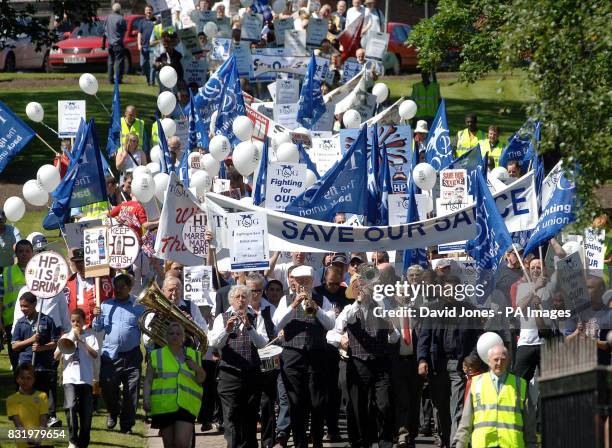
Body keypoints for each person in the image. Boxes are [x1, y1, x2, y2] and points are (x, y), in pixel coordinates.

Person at [331, 269, 398, 448]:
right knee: (360, 407)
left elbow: (395, 338)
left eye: (365, 286)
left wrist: (391, 329)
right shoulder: (348, 310)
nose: (362, 289)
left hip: (381, 363)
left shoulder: (382, 307)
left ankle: (385, 442)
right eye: (358, 287)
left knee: (385, 405)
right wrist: (341, 339)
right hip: (359, 363)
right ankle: (364, 441)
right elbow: (332, 334)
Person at [272, 265, 336, 448]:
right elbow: (277, 323)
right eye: (299, 281)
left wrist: (316, 309)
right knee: (295, 401)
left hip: (316, 354)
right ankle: (300, 442)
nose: (302, 285)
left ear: (312, 282)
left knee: (317, 402)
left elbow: (330, 324)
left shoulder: (322, 300)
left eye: (306, 281)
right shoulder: (286, 299)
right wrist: (293, 306)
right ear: (293, 282)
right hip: (293, 355)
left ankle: (316, 440)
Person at [417, 275, 483, 448]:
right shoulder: (432, 310)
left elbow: (479, 340)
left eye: (454, 289)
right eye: (447, 289)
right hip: (437, 366)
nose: (450, 292)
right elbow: (424, 338)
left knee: (458, 408)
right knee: (440, 408)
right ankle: (445, 439)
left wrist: (471, 359)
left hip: (459, 365)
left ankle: (456, 443)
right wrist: (422, 360)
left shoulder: (470, 310)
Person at [209, 285, 269, 448]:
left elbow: (262, 344)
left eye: (244, 297)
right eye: (237, 297)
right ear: (231, 301)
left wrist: (249, 327)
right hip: (229, 374)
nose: (241, 300)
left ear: (249, 300)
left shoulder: (257, 317)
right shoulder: (221, 318)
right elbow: (214, 343)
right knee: (231, 416)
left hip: (251, 374)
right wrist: (227, 330)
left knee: (250, 416)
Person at [454, 345, 537, 448]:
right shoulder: (476, 384)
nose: (499, 363)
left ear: (508, 361)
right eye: (496, 359)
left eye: (503, 359)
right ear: (488, 361)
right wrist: (460, 444)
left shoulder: (520, 384)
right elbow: (465, 422)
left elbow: (530, 424)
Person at [92, 274, 144, 433]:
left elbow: (146, 328)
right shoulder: (105, 305)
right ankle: (113, 412)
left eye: (122, 286)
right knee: (107, 386)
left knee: (131, 392)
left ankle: (127, 425)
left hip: (132, 355)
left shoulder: (139, 306)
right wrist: (96, 316)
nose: (118, 289)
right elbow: (97, 328)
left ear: (129, 288)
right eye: (116, 286)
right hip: (110, 356)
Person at [143, 322, 206, 448]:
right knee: (170, 445)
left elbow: (201, 379)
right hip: (164, 405)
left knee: (182, 444)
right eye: (171, 333)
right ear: (166, 336)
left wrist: (197, 368)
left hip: (186, 405)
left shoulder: (194, 355)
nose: (175, 336)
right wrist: (146, 398)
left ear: (183, 337)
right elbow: (148, 379)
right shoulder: (156, 355)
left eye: (178, 334)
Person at [11, 292, 61, 427]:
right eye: (21, 306)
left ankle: (48, 418)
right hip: (26, 365)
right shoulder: (20, 323)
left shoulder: (47, 320)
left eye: (26, 306)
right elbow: (15, 345)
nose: (23, 309)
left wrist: (42, 348)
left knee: (44, 394)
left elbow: (56, 342)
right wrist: (30, 340)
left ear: (34, 304)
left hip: (43, 365)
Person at [54, 308, 99, 448]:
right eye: (73, 321)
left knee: (86, 414)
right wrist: (68, 341)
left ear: (84, 321)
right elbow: (55, 357)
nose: (75, 324)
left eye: (78, 321)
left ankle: (83, 442)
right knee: (71, 407)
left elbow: (95, 355)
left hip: (85, 379)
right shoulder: (65, 336)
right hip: (69, 379)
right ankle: (72, 440)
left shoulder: (91, 337)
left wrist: (82, 341)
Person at [2, 239, 34, 371]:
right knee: (15, 359)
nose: (24, 254)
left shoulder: (39, 270)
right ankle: (18, 389)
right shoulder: (6, 272)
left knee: (33, 357)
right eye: (21, 251)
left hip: (34, 319)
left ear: (32, 253)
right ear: (16, 254)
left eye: (27, 251)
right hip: (12, 322)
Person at [7, 363, 53, 448]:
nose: (25, 381)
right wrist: (28, 438)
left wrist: (39, 438)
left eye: (29, 378)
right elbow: (18, 424)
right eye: (22, 378)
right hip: (24, 443)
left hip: (44, 442)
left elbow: (43, 419)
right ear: (17, 379)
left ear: (34, 379)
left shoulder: (42, 396)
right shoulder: (11, 400)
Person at [104, 3, 127, 84]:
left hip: (110, 43)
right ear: (119, 9)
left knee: (110, 62)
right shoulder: (121, 19)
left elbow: (105, 30)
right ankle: (118, 79)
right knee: (119, 62)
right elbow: (125, 29)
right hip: (118, 43)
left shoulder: (108, 17)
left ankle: (110, 79)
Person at [138, 5, 157, 86]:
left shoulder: (156, 21)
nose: (148, 12)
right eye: (147, 10)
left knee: (152, 65)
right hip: (144, 46)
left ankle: (151, 82)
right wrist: (139, 44)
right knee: (142, 64)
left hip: (153, 47)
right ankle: (148, 78)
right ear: (144, 12)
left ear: (152, 11)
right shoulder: (141, 22)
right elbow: (139, 34)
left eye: (150, 10)